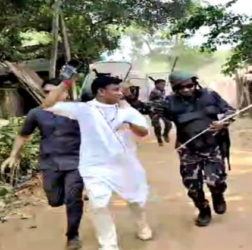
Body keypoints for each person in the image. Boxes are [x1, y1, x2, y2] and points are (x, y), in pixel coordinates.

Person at [42, 75, 152, 250]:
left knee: (136, 200)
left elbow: (144, 132)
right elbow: (48, 105)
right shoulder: (84, 109)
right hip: (95, 167)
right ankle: (108, 245)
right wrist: (66, 82)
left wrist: (129, 123)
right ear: (101, 91)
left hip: (125, 166)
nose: (120, 92)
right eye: (115, 89)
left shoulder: (127, 110)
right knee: (99, 205)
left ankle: (142, 225)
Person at [1, 79, 84, 250]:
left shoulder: (78, 111)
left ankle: (73, 235)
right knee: (54, 200)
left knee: (73, 198)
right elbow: (23, 135)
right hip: (50, 162)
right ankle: (65, 198)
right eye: (46, 92)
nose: (50, 95)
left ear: (65, 92)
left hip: (76, 161)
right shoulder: (36, 113)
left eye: (55, 90)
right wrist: (13, 155)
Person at [162, 72, 235, 227]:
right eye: (182, 87)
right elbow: (148, 109)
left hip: (212, 146)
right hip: (188, 148)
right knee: (193, 186)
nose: (187, 89)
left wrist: (223, 122)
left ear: (195, 83)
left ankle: (217, 195)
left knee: (215, 181)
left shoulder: (210, 95)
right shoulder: (169, 102)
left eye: (190, 85)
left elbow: (231, 111)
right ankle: (203, 209)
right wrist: (130, 99)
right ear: (175, 88)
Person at [148, 79, 172, 146]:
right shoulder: (154, 92)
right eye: (161, 84)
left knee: (168, 124)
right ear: (156, 85)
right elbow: (159, 98)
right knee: (157, 126)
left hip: (162, 110)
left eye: (164, 84)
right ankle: (159, 139)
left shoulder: (162, 91)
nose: (163, 86)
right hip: (154, 111)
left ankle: (165, 134)